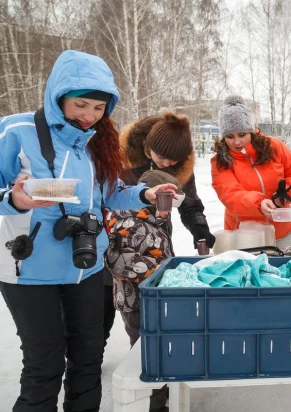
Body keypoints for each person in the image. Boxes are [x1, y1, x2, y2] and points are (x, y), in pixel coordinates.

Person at [0, 50, 177, 412]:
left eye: (98, 108)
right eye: (81, 104)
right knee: (44, 364)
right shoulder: (17, 130)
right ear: (58, 95)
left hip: (86, 266)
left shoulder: (96, 140)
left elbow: (109, 193)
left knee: (88, 358)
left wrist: (144, 193)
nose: (89, 116)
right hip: (29, 270)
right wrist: (16, 200)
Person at [103, 110, 216, 346]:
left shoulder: (181, 165)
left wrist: (199, 228)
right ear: (147, 146)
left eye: (173, 162)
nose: (167, 164)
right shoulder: (121, 158)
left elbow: (189, 204)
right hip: (117, 236)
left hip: (155, 238)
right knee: (105, 312)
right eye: (162, 157)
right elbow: (107, 199)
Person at [105, 170, 177, 412]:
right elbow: (118, 261)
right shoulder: (128, 223)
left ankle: (162, 390)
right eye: (165, 201)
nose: (169, 208)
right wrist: (162, 269)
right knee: (146, 356)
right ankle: (152, 404)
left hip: (154, 301)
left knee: (157, 350)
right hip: (136, 303)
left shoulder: (157, 219)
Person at [211, 95, 291, 249]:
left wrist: (287, 193)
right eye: (230, 136)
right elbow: (230, 194)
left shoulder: (275, 146)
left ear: (251, 131)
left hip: (281, 232)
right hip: (244, 236)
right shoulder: (221, 161)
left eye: (242, 135)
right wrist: (259, 203)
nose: (236, 142)